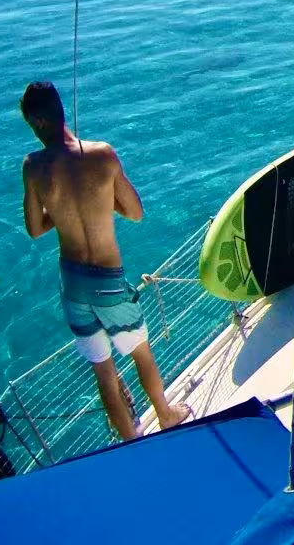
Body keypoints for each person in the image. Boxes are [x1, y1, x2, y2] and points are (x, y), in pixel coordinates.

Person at [19, 82, 189, 440]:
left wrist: (62, 211)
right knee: (141, 353)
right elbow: (136, 212)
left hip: (72, 284)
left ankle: (131, 440)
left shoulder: (33, 167)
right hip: (107, 280)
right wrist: (100, 200)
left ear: (37, 122)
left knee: (104, 372)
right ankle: (166, 414)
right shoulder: (102, 155)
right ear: (61, 110)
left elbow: (35, 229)